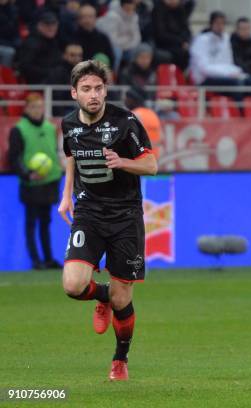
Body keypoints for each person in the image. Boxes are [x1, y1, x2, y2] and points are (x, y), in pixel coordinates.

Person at [58, 60, 157, 381]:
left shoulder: (126, 122)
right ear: (75, 93)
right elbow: (71, 155)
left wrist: (124, 161)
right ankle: (101, 297)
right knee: (72, 285)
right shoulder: (69, 123)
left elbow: (152, 165)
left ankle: (120, 360)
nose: (94, 95)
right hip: (89, 211)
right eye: (86, 89)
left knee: (122, 298)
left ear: (106, 90)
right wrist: (66, 194)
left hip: (126, 215)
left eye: (99, 88)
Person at [8, 93, 63, 270]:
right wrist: (28, 174)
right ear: (26, 109)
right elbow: (14, 158)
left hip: (51, 180)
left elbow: (55, 150)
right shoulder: (19, 129)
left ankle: (48, 258)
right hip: (31, 183)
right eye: (34, 107)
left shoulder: (49, 127)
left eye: (40, 107)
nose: (37, 110)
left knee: (46, 222)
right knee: (31, 222)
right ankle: (35, 260)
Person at [190, 11, 244, 87]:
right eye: (217, 23)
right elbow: (204, 69)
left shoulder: (226, 39)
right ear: (211, 24)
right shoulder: (201, 40)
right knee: (237, 84)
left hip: (224, 76)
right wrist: (227, 73)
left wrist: (236, 71)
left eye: (223, 23)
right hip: (204, 79)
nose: (220, 26)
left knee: (250, 82)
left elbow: (228, 63)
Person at [13, 11, 62, 84]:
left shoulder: (54, 42)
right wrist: (49, 73)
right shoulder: (32, 43)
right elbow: (24, 67)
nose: (51, 28)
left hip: (50, 81)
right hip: (35, 84)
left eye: (54, 24)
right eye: (47, 24)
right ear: (39, 26)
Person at [96, 0, 141, 71]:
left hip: (125, 46)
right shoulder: (112, 16)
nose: (130, 12)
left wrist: (127, 44)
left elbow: (137, 38)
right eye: (127, 9)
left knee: (138, 50)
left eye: (132, 9)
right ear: (121, 7)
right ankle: (114, 74)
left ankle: (129, 75)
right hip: (103, 44)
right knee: (117, 52)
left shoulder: (134, 17)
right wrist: (127, 40)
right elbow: (111, 40)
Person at [46, 41, 84, 116]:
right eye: (72, 55)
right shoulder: (58, 72)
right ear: (64, 55)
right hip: (65, 110)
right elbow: (57, 96)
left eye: (79, 55)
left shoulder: (85, 71)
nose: (77, 58)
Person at [73, 4, 115, 72]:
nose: (87, 20)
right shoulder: (72, 37)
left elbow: (111, 60)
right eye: (83, 17)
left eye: (90, 17)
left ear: (95, 18)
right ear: (78, 19)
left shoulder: (103, 38)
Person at [152, 0, 191, 70]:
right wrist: (181, 42)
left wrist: (186, 41)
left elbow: (186, 29)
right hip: (165, 43)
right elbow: (161, 34)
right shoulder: (159, 9)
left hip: (180, 42)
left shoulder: (180, 9)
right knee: (181, 54)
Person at [124, 86, 162, 159]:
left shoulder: (134, 115)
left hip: (140, 160)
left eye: (127, 98)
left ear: (133, 100)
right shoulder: (152, 114)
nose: (125, 100)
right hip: (153, 159)